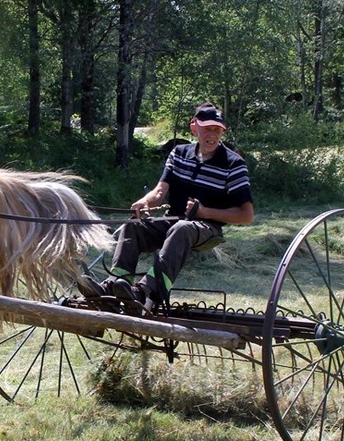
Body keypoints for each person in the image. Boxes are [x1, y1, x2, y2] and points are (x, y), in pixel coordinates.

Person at [78, 102, 254, 311]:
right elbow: (160, 192)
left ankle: (144, 292)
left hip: (207, 227)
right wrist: (145, 202)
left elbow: (247, 215)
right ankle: (114, 288)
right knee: (132, 225)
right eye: (207, 128)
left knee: (181, 229)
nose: (212, 134)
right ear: (194, 127)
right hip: (171, 221)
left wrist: (205, 212)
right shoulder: (179, 153)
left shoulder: (233, 164)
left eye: (217, 130)